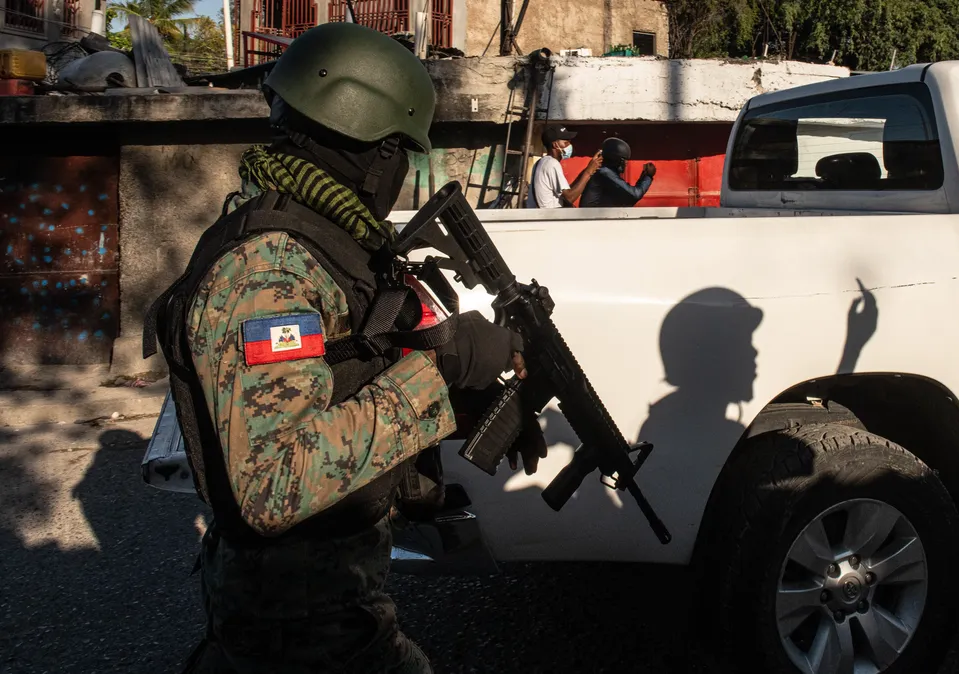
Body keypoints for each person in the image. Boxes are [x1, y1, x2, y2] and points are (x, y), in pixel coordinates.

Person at [144, 23, 542, 674]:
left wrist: (464, 406)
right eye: (402, 152)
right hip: (298, 624)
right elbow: (273, 483)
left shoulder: (326, 248)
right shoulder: (269, 272)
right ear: (377, 150)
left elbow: (343, 383)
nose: (401, 171)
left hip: (323, 603)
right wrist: (440, 368)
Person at [526, 124, 602, 208]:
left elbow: (567, 192)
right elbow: (570, 197)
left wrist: (588, 168)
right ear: (555, 145)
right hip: (549, 215)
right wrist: (588, 172)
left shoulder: (541, 162)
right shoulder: (552, 163)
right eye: (566, 143)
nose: (570, 145)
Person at [579, 137, 656, 207]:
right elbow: (634, 195)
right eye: (624, 160)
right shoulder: (604, 173)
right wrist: (648, 176)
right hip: (592, 217)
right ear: (616, 160)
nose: (626, 163)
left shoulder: (600, 171)